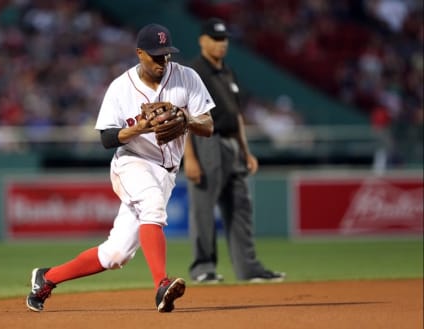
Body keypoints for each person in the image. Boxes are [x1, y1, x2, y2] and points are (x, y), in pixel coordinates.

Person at [25, 23, 214, 313]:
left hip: (166, 171)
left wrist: (187, 119)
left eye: (167, 55)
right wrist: (137, 129)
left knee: (116, 255)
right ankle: (161, 285)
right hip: (131, 161)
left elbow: (208, 125)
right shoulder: (121, 88)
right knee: (152, 205)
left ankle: (46, 279)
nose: (163, 61)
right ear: (140, 53)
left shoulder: (187, 78)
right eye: (155, 56)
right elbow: (106, 138)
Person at [184, 17, 285, 283]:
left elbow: (237, 115)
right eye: (216, 38)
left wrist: (246, 150)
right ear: (202, 40)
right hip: (206, 141)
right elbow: (182, 115)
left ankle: (248, 268)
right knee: (203, 208)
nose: (221, 43)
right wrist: (190, 158)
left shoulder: (228, 72)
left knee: (241, 206)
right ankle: (203, 268)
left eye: (224, 38)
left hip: (231, 142)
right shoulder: (193, 72)